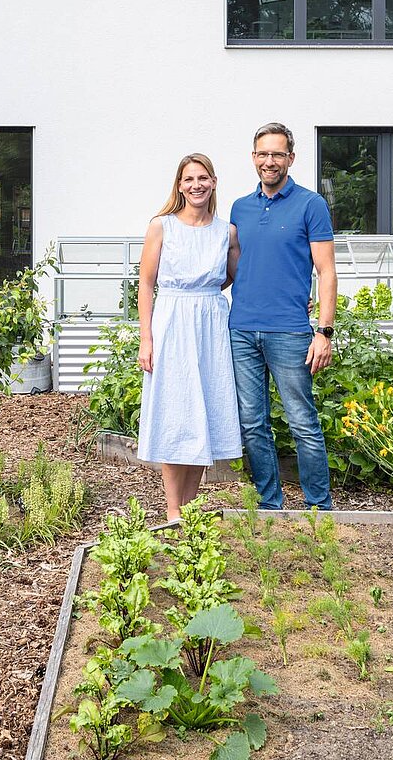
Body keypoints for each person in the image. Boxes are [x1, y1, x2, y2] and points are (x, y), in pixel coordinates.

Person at [228, 122, 337, 510]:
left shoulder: (311, 205)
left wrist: (323, 331)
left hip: (290, 332)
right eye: (262, 154)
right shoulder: (240, 207)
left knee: (302, 423)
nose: (269, 161)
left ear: (290, 158)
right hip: (241, 329)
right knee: (253, 425)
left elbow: (326, 271)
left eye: (277, 154)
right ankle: (269, 506)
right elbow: (233, 266)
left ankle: (319, 509)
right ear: (253, 157)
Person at [135, 152, 243, 521]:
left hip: (211, 326)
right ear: (179, 185)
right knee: (174, 413)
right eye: (188, 179)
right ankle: (171, 511)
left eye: (202, 178)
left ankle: (190, 508)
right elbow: (146, 284)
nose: (196, 185)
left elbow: (235, 276)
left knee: (204, 414)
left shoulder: (226, 231)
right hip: (171, 324)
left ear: (213, 182)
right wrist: (145, 340)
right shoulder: (162, 226)